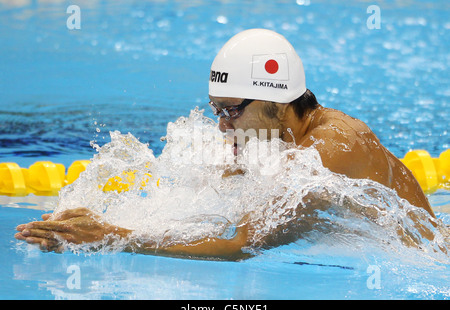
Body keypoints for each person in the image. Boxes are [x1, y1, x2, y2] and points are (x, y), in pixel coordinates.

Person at [15, 29, 437, 259]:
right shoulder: (276, 138)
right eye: (216, 110)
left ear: (276, 100)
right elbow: (204, 204)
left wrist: (112, 235)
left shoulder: (333, 149)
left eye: (231, 111)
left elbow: (240, 245)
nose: (221, 127)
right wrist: (104, 218)